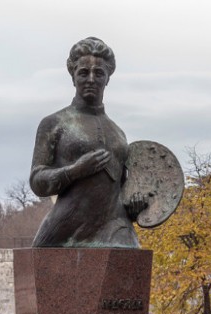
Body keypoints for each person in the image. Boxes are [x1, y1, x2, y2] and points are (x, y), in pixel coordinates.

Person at [29, 37, 147, 247]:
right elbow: (37, 182)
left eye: (99, 73)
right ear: (73, 77)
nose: (91, 79)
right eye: (83, 72)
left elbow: (121, 189)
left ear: (107, 78)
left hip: (116, 227)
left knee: (132, 256)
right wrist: (75, 171)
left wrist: (134, 206)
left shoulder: (118, 133)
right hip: (66, 230)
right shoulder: (54, 123)